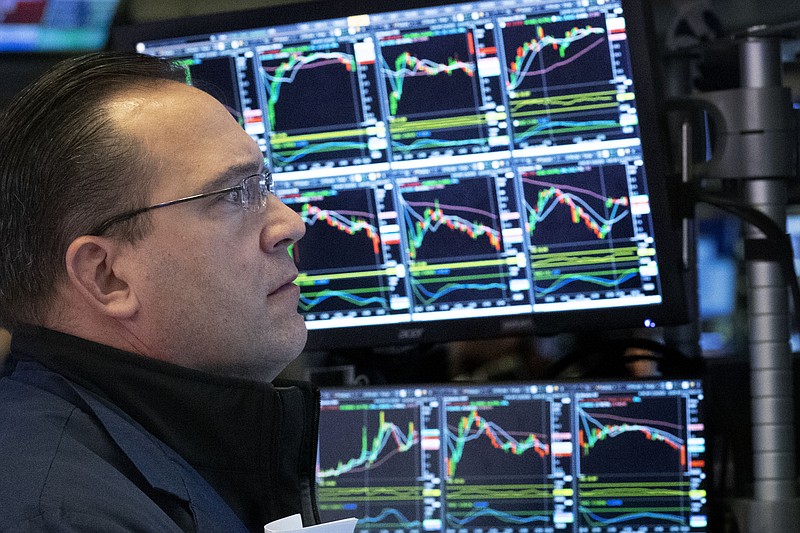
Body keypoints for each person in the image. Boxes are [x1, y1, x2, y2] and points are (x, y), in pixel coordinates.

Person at [0, 52, 318, 532]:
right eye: (234, 194)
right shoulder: (66, 517)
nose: (289, 225)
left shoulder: (134, 453)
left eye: (263, 183)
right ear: (107, 277)